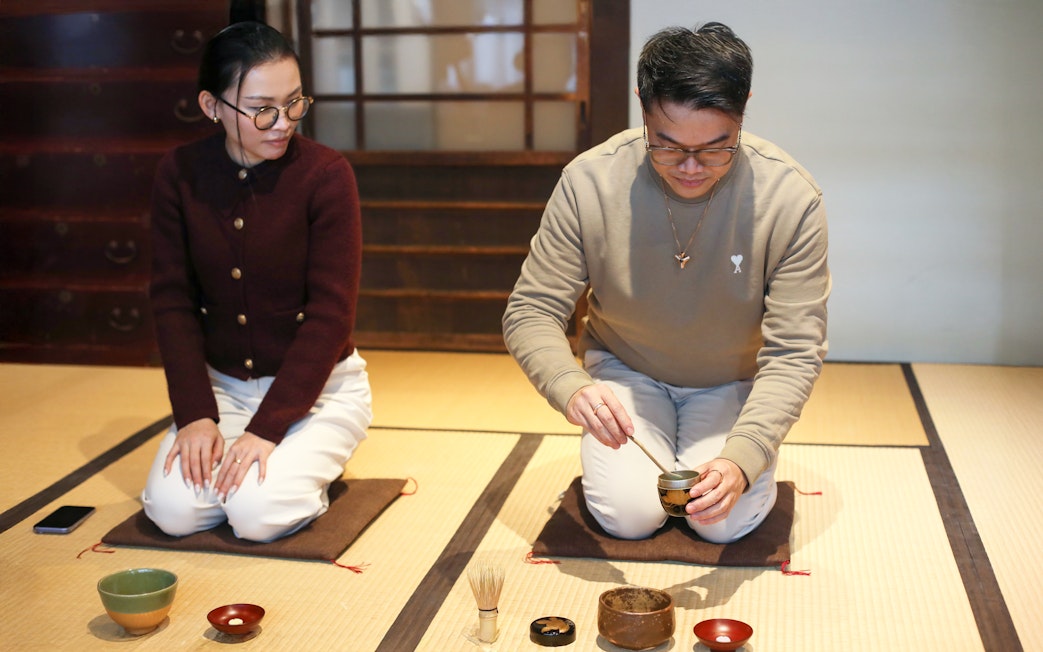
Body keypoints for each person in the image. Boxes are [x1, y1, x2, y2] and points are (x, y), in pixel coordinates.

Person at [503, 22, 829, 544]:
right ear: (642, 105)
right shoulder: (590, 181)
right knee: (629, 519)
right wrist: (572, 387)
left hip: (730, 380)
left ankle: (738, 452)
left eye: (717, 147)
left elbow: (795, 351)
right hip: (626, 372)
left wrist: (744, 456)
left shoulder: (790, 198)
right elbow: (531, 311)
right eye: (667, 146)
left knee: (721, 522)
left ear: (744, 107)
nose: (692, 168)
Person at [141, 21, 372, 542]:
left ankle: (306, 467)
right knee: (173, 512)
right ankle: (270, 468)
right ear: (212, 106)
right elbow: (173, 302)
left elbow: (331, 316)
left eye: (294, 103)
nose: (282, 122)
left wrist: (267, 431)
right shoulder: (179, 174)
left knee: (256, 516)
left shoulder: (326, 175)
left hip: (319, 393)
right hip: (222, 390)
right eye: (262, 107)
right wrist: (196, 415)